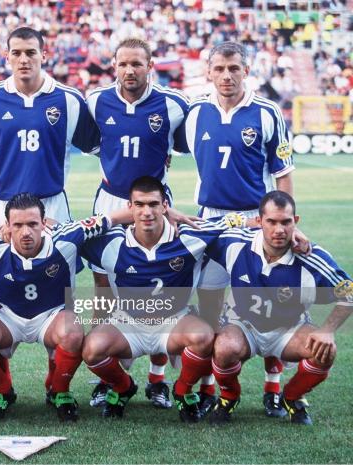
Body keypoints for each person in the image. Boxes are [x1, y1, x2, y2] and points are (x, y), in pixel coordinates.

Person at [0, 193, 154, 421]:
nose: (26, 232)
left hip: (52, 315)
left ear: (44, 223)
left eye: (32, 224)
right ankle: (2, 391)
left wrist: (165, 214)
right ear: (6, 226)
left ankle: (59, 391)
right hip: (6, 315)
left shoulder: (66, 236)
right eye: (18, 225)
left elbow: (112, 218)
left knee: (72, 332)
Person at [81, 176, 250, 423]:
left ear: (165, 206)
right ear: (129, 207)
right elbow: (65, 233)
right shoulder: (112, 243)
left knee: (203, 336)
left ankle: (183, 390)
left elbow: (237, 221)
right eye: (139, 205)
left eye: (153, 204)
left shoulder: (189, 236)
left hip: (174, 321)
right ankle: (123, 387)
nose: (146, 212)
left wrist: (287, 231)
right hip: (128, 322)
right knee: (91, 349)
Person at [185, 41, 295, 415]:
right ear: (208, 72)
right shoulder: (196, 111)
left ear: (246, 71)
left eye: (234, 68)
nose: (227, 75)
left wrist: (282, 224)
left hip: (254, 220)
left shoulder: (267, 112)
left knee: (269, 306)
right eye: (219, 68)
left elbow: (283, 173)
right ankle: (208, 387)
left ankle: (273, 388)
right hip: (211, 221)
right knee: (210, 305)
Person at [86, 37, 189, 410]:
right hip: (110, 199)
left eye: (137, 64)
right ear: (114, 66)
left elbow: (180, 146)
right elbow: (94, 144)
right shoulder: (96, 101)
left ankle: (157, 380)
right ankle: (108, 377)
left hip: (153, 204)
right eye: (123, 64)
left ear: (150, 66)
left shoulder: (175, 105)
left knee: (158, 287)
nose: (129, 71)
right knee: (103, 286)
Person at [207, 191, 352, 425]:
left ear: (296, 222)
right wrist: (243, 221)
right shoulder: (236, 242)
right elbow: (202, 227)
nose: (279, 230)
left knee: (325, 351)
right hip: (242, 325)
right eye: (271, 222)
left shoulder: (312, 257)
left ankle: (292, 397)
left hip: (289, 329)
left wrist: (327, 330)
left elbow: (350, 293)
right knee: (224, 348)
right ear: (259, 221)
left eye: (286, 222)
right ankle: (228, 397)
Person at [0, 27, 100, 228]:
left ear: (43, 55)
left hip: (52, 205)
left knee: (58, 251)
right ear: (7, 56)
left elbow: (99, 148)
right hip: (2, 206)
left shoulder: (69, 100)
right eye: (16, 53)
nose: (23, 60)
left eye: (30, 52)